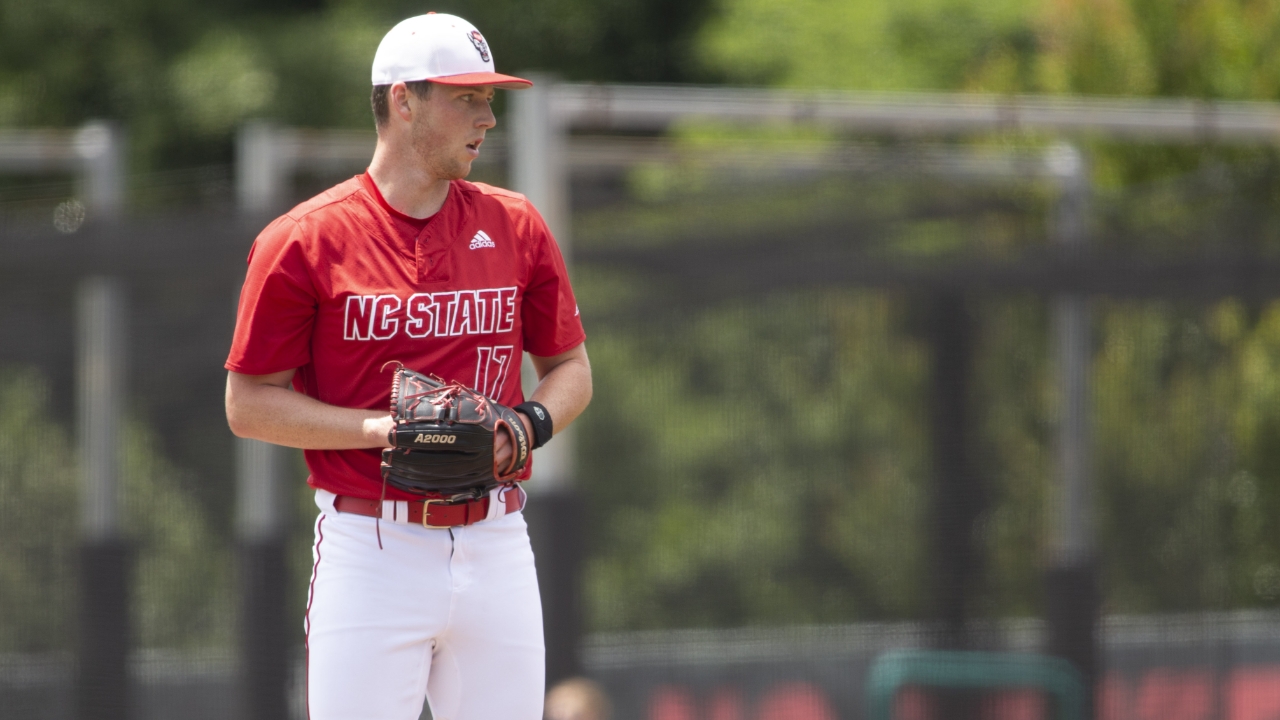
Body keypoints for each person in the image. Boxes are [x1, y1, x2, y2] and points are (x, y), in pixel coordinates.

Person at [224, 13, 592, 720]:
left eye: (490, 98)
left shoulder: (516, 224)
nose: (487, 117)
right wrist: (382, 430)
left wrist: (528, 424)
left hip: (496, 538)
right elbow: (248, 405)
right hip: (372, 544)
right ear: (403, 100)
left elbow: (571, 367)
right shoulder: (303, 240)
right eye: (466, 98)